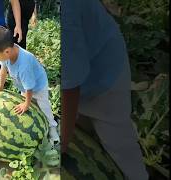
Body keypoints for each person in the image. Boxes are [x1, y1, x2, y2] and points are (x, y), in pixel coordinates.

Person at [61, 0, 148, 179]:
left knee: (119, 143)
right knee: (83, 127)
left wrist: (62, 143)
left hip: (105, 76)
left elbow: (70, 90)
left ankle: (138, 176)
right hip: (79, 65)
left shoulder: (65, 17)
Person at [0, 25, 60, 144]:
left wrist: (26, 103)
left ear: (7, 51)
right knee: (28, 103)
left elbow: (29, 88)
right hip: (24, 84)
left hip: (38, 86)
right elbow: (3, 69)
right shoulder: (6, 54)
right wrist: (0, 86)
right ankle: (35, 117)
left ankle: (53, 127)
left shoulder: (24, 64)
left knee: (43, 106)